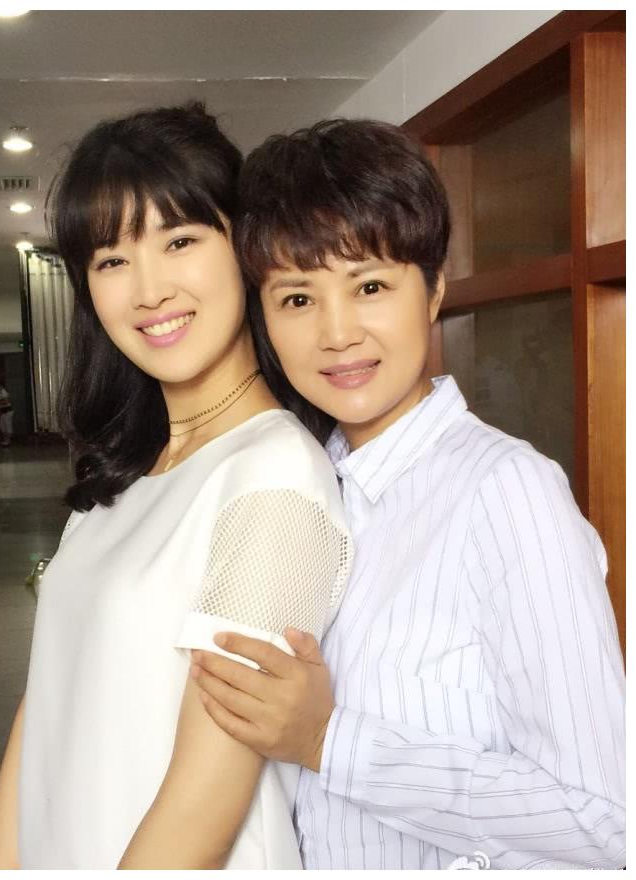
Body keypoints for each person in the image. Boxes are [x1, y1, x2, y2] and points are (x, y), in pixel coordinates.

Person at [189, 118, 626, 870]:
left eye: (370, 287)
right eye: (297, 299)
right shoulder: (302, 486)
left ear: (433, 291)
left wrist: (330, 741)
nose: (337, 333)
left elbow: (608, 817)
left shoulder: (506, 492)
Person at [0, 104, 352, 870]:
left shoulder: (274, 474)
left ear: (242, 245)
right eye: (111, 260)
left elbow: (201, 807)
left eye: (180, 241)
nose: (148, 291)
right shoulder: (119, 476)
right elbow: (44, 706)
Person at [0, 382, 14, 446]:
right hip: (3, 412)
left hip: (7, 412)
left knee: (7, 426)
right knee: (2, 426)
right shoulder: (0, 393)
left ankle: (8, 441)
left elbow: (6, 401)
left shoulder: (4, 392)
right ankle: (5, 440)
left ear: (1, 386)